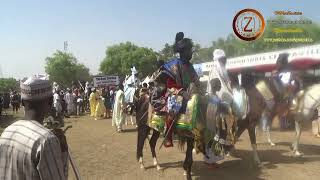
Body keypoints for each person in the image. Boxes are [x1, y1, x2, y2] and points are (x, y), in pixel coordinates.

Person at [0, 75, 66, 180]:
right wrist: (63, 151)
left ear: (22, 102)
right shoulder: (46, 140)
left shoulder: (6, 132)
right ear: (50, 102)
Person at [150, 32, 200, 147]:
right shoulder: (173, 65)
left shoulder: (190, 66)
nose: (191, 52)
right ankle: (168, 136)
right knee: (175, 106)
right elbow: (170, 83)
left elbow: (196, 81)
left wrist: (200, 91)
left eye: (191, 50)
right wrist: (182, 92)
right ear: (183, 52)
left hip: (190, 93)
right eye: (189, 50)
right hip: (174, 93)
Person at [204, 78, 224, 168]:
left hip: (216, 121)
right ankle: (208, 162)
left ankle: (213, 160)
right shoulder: (208, 96)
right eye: (219, 85)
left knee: (216, 141)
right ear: (215, 86)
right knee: (210, 142)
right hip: (210, 122)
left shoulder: (215, 96)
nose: (220, 86)